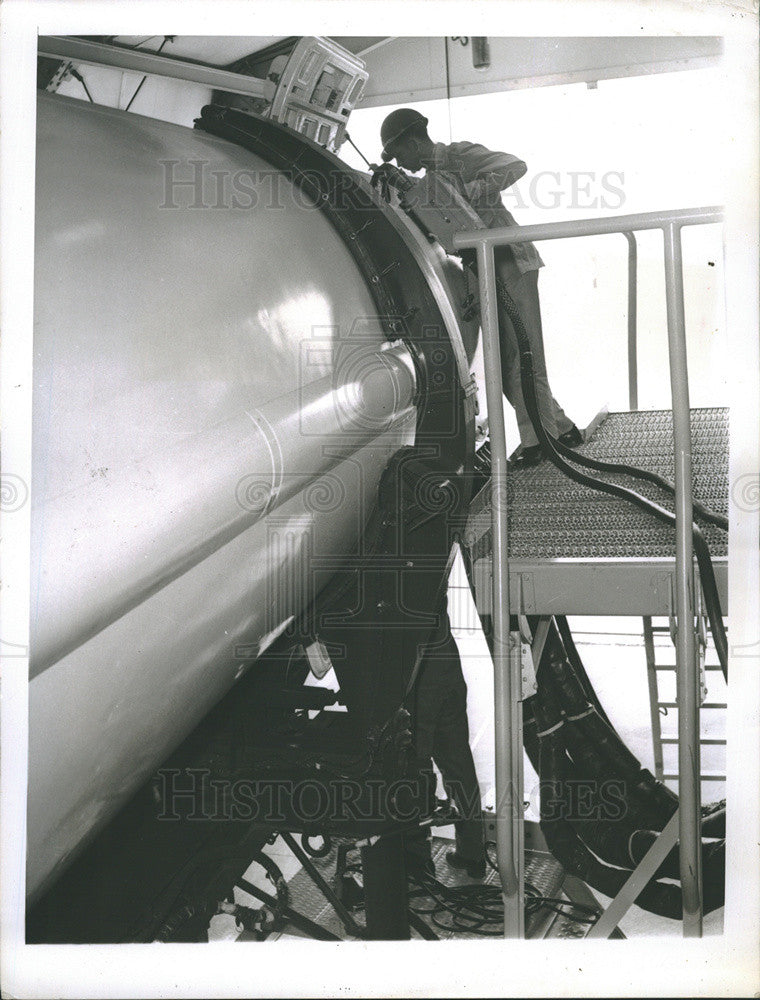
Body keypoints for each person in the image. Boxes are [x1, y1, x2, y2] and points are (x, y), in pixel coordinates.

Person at [378, 108, 583, 467]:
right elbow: (447, 228)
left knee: (525, 353)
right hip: (484, 271)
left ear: (412, 141)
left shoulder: (458, 155)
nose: (402, 162)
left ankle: (542, 442)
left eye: (400, 154)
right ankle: (560, 428)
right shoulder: (429, 179)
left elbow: (514, 165)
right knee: (505, 364)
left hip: (511, 261)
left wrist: (472, 189)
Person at [405, 599, 487, 881]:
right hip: (445, 661)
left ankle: (418, 859)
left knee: (413, 764)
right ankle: (473, 852)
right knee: (458, 762)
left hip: (416, 674)